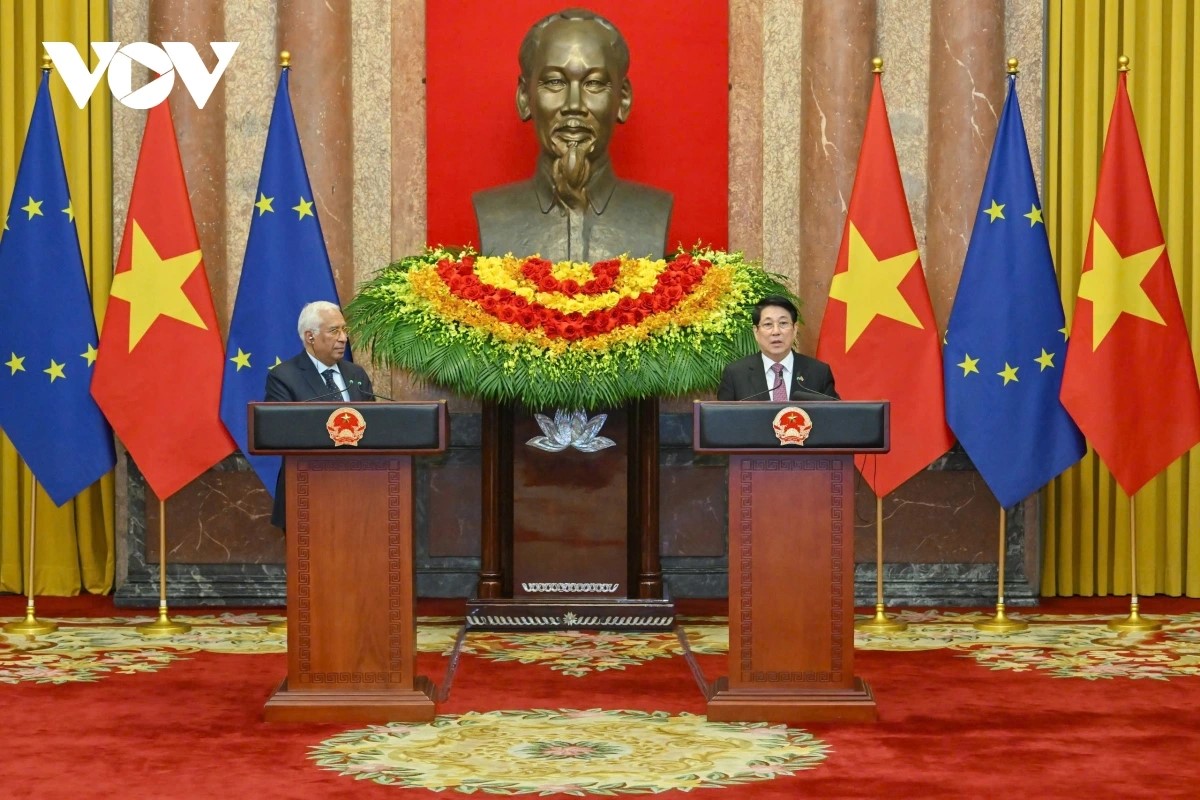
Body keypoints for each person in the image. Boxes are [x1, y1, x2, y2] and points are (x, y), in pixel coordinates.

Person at [472, 7, 672, 262]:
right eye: (555, 82)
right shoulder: (493, 213)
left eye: (594, 83)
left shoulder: (654, 211)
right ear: (524, 97)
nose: (574, 105)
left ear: (622, 99)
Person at [265, 300, 375, 528]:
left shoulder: (356, 374)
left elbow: (374, 426)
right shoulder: (284, 377)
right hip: (306, 491)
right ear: (310, 337)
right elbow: (279, 432)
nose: (343, 338)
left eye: (344, 330)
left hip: (359, 491)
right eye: (334, 331)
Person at [717, 295, 839, 401]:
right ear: (756, 331)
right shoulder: (735, 374)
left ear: (795, 329)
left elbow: (835, 415)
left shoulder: (818, 372)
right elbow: (723, 418)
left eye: (783, 323)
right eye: (768, 324)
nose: (776, 331)